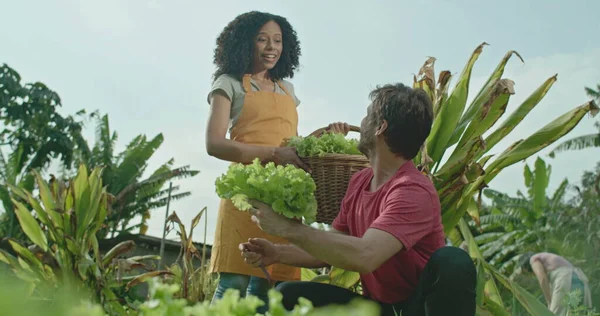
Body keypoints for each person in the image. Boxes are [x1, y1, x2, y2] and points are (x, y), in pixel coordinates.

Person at [239, 83, 477, 316]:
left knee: (453, 261)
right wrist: (278, 253)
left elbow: (366, 255)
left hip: (415, 308)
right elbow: (333, 246)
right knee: (288, 295)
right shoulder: (360, 181)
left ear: (380, 127)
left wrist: (288, 228)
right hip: (377, 308)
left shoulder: (413, 190)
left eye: (367, 117)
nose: (362, 123)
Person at [205, 11, 349, 313]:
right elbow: (215, 144)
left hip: (284, 200)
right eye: (262, 39)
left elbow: (290, 145)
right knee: (234, 285)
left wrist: (323, 136)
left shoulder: (288, 90)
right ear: (246, 42)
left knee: (269, 291)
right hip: (246, 195)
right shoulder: (228, 83)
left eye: (278, 40)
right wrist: (272, 154)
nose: (271, 47)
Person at [519, 252, 592, 315]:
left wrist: (549, 301)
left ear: (525, 266)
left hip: (565, 279)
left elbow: (543, 279)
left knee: (554, 313)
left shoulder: (533, 259)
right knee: (577, 312)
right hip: (579, 279)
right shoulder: (549, 261)